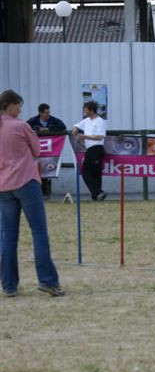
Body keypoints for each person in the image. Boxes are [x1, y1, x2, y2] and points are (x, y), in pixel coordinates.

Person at [0, 89, 65, 297]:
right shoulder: (21, 126)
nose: (20, 109)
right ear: (10, 106)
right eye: (18, 105)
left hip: (3, 186)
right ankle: (47, 281)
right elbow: (37, 151)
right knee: (38, 232)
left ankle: (9, 285)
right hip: (26, 182)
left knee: (8, 236)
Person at [27, 103, 67, 199]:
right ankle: (39, 192)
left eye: (49, 112)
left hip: (49, 149)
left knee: (47, 169)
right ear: (40, 113)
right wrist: (37, 130)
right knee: (37, 169)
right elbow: (25, 128)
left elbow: (62, 126)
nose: (48, 115)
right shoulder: (33, 120)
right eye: (46, 113)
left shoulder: (53, 119)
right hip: (36, 149)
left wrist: (48, 129)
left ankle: (46, 192)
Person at [72, 101, 107, 201]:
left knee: (93, 172)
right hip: (89, 149)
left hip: (97, 148)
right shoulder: (86, 120)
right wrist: (75, 129)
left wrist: (85, 136)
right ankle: (97, 194)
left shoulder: (100, 121)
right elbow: (76, 126)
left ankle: (97, 193)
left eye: (86, 110)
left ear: (92, 110)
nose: (84, 112)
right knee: (87, 171)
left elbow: (100, 137)